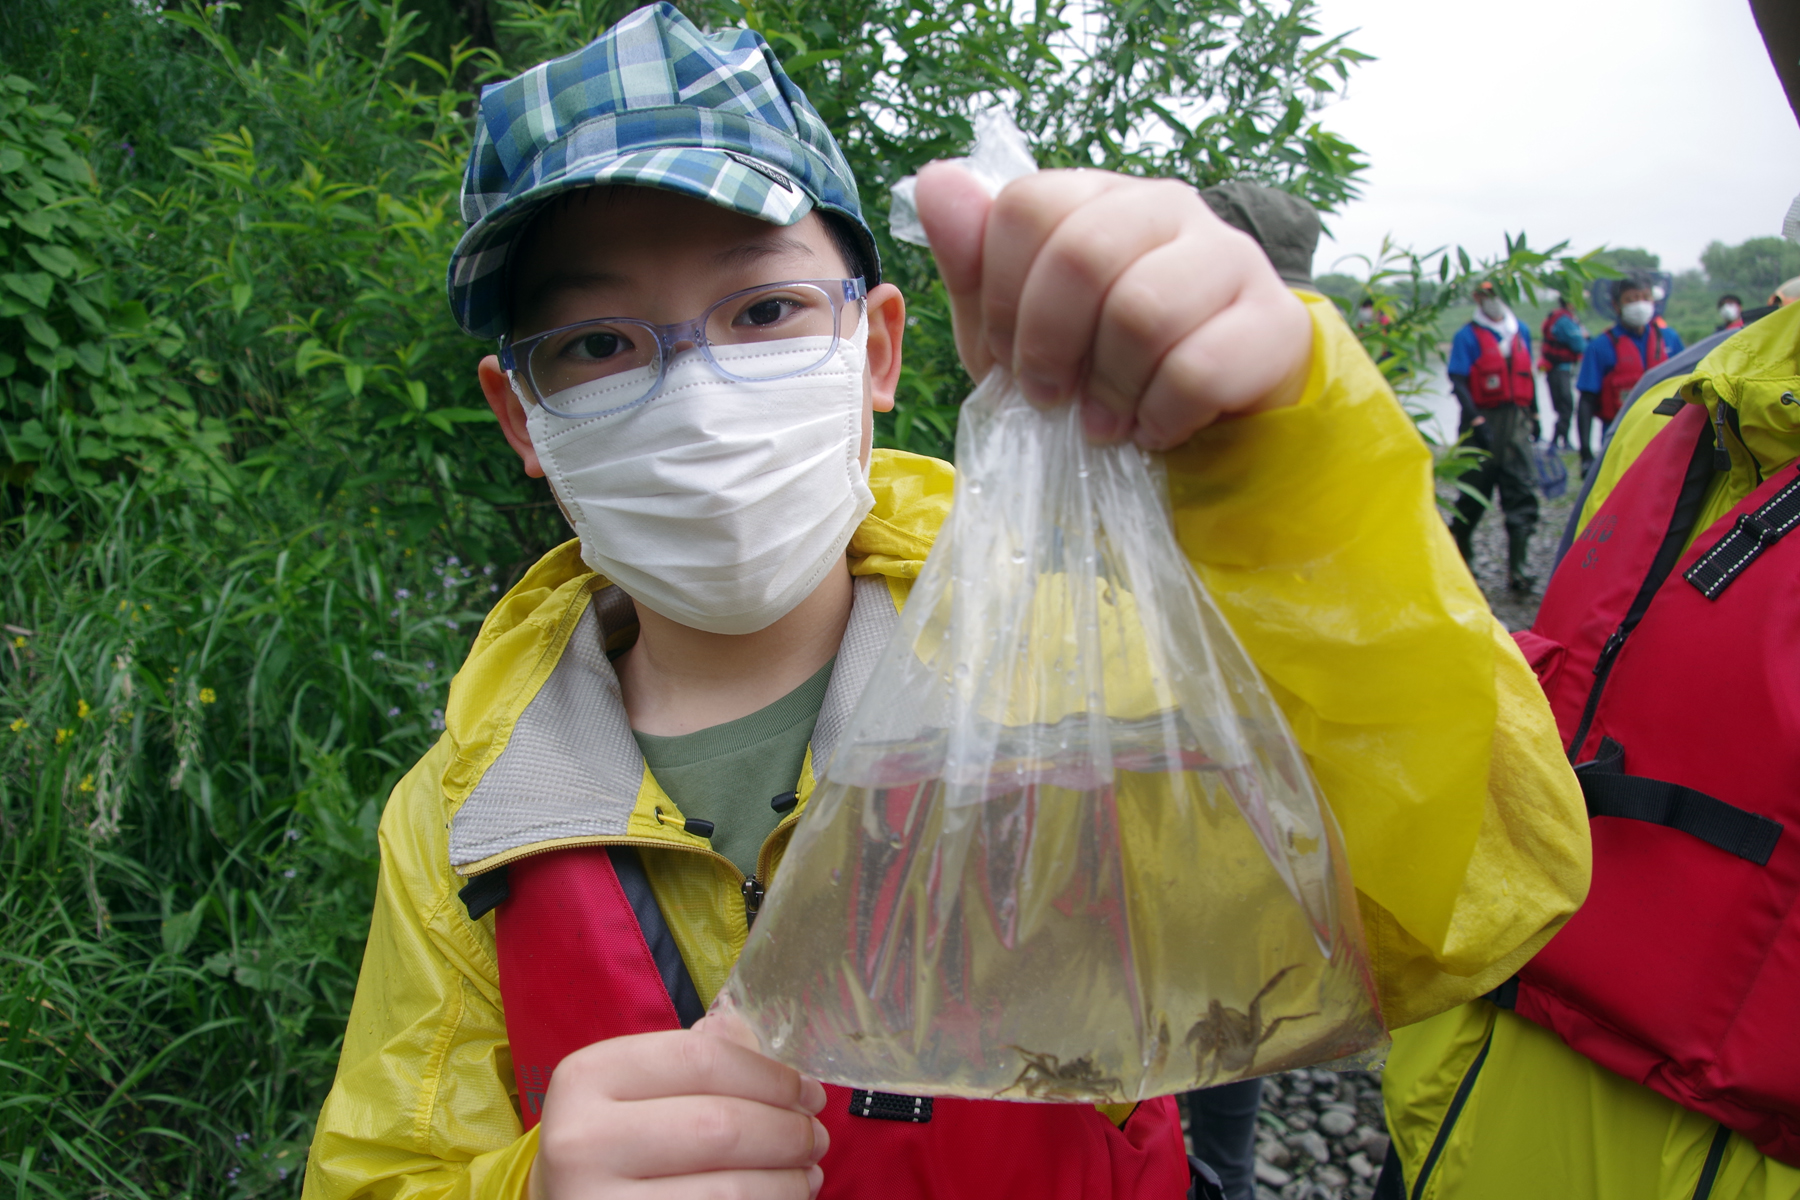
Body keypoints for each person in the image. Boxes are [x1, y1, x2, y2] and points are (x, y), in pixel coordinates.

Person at [300, 6, 1591, 1199]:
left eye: (761, 310)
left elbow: (1465, 904)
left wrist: (1278, 466)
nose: (694, 392)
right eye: (597, 344)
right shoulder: (469, 813)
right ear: (519, 415)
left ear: (876, 347)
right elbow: (380, 1166)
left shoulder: (1071, 684)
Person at [1377, 3, 1800, 1196]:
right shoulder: (1680, 402)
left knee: (1514, 498)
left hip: (1715, 1123)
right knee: (1502, 513)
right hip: (1468, 1102)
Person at [1445, 281, 1540, 592]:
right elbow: (1458, 380)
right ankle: (1462, 558)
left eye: (1498, 293)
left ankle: (1519, 570)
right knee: (1473, 494)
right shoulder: (1467, 335)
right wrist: (1477, 419)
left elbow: (1528, 376)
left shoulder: (1520, 330)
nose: (1494, 300)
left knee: (1521, 492)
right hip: (1481, 423)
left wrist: (1535, 415)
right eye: (1487, 294)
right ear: (1477, 297)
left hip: (1516, 423)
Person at [1573, 275, 1685, 475]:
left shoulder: (1670, 339)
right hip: (1618, 437)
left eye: (1645, 298)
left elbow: (1689, 387)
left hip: (1665, 436)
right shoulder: (1600, 347)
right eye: (1631, 299)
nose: (1640, 305)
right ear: (1616, 305)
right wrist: (1585, 453)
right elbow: (1586, 402)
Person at [1539, 293, 1587, 449]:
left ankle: (1559, 440)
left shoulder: (1563, 318)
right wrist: (1588, 340)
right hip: (1559, 370)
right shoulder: (1565, 321)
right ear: (1570, 304)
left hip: (1557, 370)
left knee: (1563, 407)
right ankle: (1559, 442)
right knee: (1566, 406)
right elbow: (1579, 345)